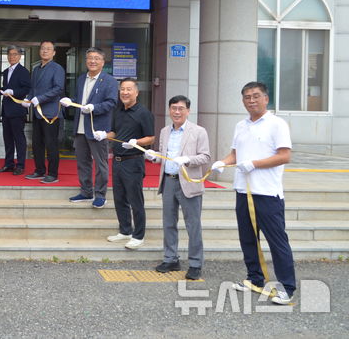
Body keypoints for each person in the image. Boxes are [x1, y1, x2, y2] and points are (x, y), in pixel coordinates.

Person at [212, 81, 296, 305]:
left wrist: (255, 164)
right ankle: (255, 279)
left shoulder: (277, 124)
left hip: (267, 193)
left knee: (277, 241)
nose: (251, 100)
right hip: (243, 190)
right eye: (247, 97)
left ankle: (287, 287)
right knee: (248, 239)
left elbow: (284, 156)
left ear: (266, 99)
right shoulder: (241, 125)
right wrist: (222, 162)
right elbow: (235, 154)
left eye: (256, 96)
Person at [144, 95, 210, 280]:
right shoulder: (165, 131)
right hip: (169, 181)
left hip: (189, 182)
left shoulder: (198, 131)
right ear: (169, 110)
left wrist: (188, 159)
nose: (177, 112)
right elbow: (164, 157)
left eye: (181, 108)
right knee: (168, 223)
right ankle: (171, 258)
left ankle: (195, 263)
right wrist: (152, 155)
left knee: (193, 224)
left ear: (188, 111)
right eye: (173, 108)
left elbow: (205, 157)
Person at [97, 78, 154, 250]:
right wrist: (105, 135)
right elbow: (115, 132)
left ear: (136, 92)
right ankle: (125, 230)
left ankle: (139, 235)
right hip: (117, 160)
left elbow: (151, 137)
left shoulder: (144, 113)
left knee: (135, 199)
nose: (125, 92)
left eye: (129, 89)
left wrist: (136, 141)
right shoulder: (118, 110)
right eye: (122, 89)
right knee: (119, 198)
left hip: (133, 161)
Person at [60, 47, 118, 208]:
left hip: (97, 129)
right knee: (82, 162)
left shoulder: (109, 80)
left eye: (96, 58)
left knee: (101, 163)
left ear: (102, 62)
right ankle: (86, 192)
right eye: (89, 58)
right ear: (86, 61)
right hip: (79, 128)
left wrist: (95, 107)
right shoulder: (80, 79)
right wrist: (69, 101)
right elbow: (80, 100)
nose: (92, 61)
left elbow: (112, 102)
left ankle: (100, 194)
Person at [22, 41, 65, 184]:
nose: (45, 51)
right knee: (37, 143)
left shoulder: (57, 68)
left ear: (54, 53)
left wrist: (39, 99)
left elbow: (58, 89)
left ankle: (53, 174)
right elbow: (33, 89)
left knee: (51, 144)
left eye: (48, 49)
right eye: (43, 48)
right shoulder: (36, 69)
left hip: (51, 113)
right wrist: (27, 99)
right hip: (37, 113)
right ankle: (39, 170)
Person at [0, 46, 31, 175]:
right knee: (7, 139)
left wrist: (13, 92)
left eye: (14, 54)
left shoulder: (23, 71)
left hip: (17, 110)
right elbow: (6, 89)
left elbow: (27, 89)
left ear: (19, 56)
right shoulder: (6, 71)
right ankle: (9, 164)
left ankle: (21, 165)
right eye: (9, 54)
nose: (11, 57)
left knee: (19, 139)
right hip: (6, 110)